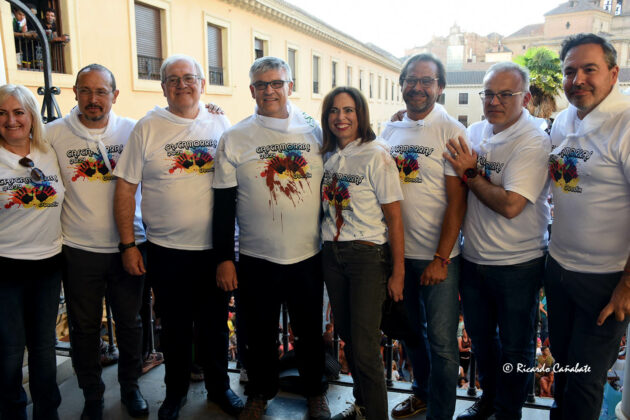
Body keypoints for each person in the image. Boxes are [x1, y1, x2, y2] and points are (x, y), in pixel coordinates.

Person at [114, 54, 243, 420]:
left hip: (214, 250)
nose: (182, 84)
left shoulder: (220, 121)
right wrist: (128, 244)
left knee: (215, 326)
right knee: (173, 328)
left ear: (202, 84)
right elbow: (125, 188)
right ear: (163, 87)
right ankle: (175, 393)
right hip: (166, 251)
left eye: (189, 78)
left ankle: (219, 388)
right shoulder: (148, 127)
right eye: (173, 79)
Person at [212, 56, 329, 420]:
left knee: (309, 332)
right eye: (262, 84)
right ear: (252, 90)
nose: (270, 91)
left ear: (289, 86)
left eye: (277, 83)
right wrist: (225, 258)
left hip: (308, 254)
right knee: (259, 333)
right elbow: (223, 205)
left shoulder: (314, 130)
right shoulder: (235, 137)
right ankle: (260, 394)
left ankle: (315, 392)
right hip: (256, 257)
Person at [444, 62, 551, 420]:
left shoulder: (532, 140)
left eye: (506, 94)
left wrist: (470, 172)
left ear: (526, 98)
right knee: (481, 340)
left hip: (518, 264)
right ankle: (489, 400)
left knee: (516, 347)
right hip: (474, 259)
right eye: (488, 94)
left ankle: (508, 412)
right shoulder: (475, 131)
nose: (494, 101)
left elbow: (510, 206)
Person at [45, 64, 148, 420]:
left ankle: (131, 388)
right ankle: (92, 395)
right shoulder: (53, 134)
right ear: (74, 92)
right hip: (78, 249)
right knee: (85, 329)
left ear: (114, 95)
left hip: (128, 245)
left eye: (101, 91)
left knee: (131, 324)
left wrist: (214, 112)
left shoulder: (133, 130)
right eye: (86, 91)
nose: (93, 99)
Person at [545, 32, 630, 420]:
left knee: (584, 380)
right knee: (564, 364)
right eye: (569, 71)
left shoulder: (625, 123)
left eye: (589, 69)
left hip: (606, 280)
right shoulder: (563, 120)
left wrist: (627, 286)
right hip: (560, 269)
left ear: (613, 73)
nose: (577, 80)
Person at [382, 53, 467, 420]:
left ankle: (441, 414)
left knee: (443, 344)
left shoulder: (451, 130)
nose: (417, 87)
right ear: (402, 84)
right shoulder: (390, 130)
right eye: (411, 80)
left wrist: (441, 258)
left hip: (437, 259)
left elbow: (457, 203)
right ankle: (421, 395)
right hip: (397, 256)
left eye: (426, 81)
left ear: (440, 87)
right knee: (411, 333)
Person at [319, 86, 404, 420]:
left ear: (360, 115)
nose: (340, 117)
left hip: (367, 257)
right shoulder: (328, 155)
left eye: (348, 110)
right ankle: (363, 406)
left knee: (366, 347)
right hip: (332, 255)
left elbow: (394, 218)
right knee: (349, 339)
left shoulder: (376, 155)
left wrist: (398, 272)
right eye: (334, 110)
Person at [0, 84, 65, 419]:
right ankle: (13, 412)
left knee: (43, 348)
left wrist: (210, 112)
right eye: (1, 113)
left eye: (18, 112)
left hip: (48, 265)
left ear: (31, 116)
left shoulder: (48, 149)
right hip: (5, 268)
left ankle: (47, 412)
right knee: (9, 351)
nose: (11, 120)